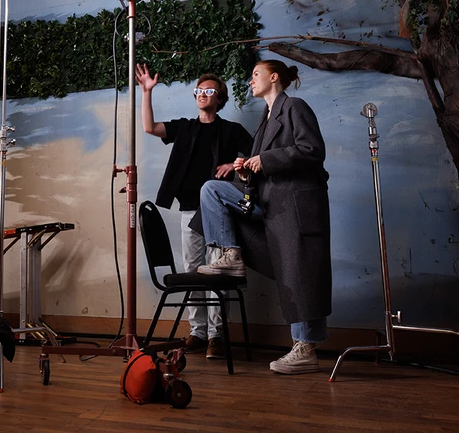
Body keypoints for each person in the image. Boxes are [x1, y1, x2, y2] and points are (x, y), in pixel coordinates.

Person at [196, 59, 332, 375]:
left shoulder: (295, 107)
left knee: (300, 273)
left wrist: (264, 160)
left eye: (256, 74)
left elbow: (312, 150)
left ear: (274, 77)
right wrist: (245, 171)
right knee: (212, 190)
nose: (250, 80)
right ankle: (231, 254)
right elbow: (259, 170)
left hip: (294, 207)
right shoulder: (265, 118)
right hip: (269, 203)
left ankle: (305, 348)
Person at [136, 63, 253, 360]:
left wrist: (234, 165)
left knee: (216, 272)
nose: (202, 94)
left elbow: (254, 157)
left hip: (219, 213)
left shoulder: (232, 130)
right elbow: (149, 128)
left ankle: (217, 335)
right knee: (192, 269)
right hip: (189, 209)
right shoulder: (185, 127)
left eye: (209, 90)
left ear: (220, 97)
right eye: (199, 90)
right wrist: (147, 93)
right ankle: (198, 332)